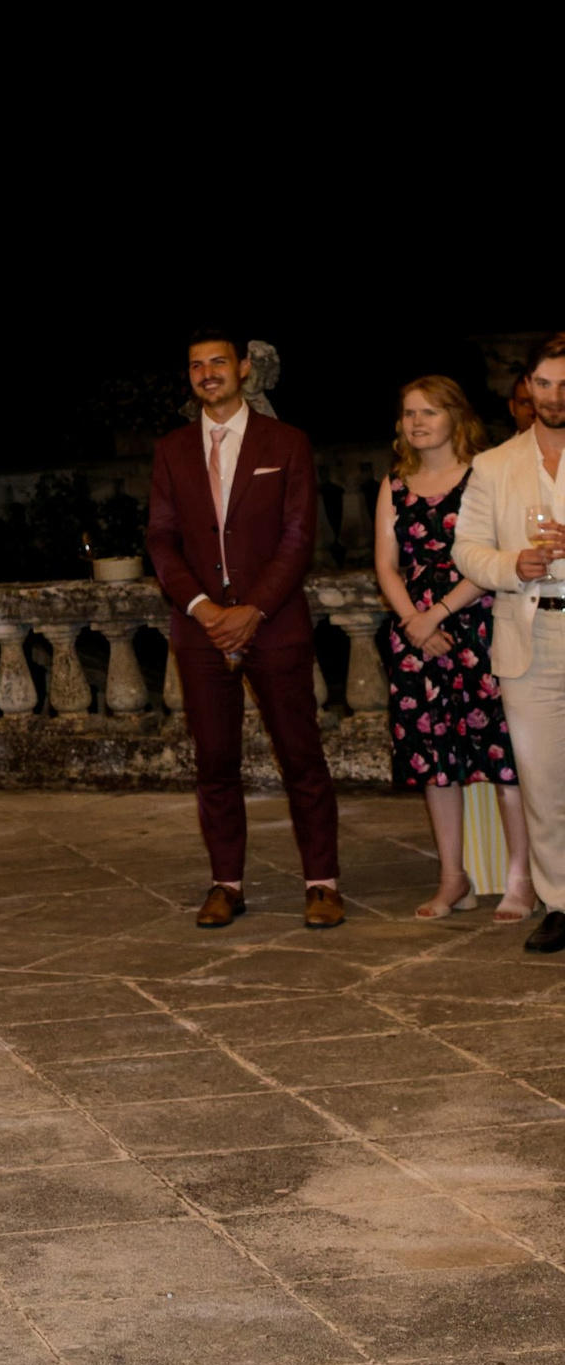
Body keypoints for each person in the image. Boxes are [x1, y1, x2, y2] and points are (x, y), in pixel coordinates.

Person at [145, 332, 343, 930]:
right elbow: (161, 540)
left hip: (274, 624)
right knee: (214, 762)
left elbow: (298, 537)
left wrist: (252, 609)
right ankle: (225, 884)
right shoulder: (172, 450)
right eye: (196, 365)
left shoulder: (286, 442)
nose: (207, 373)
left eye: (218, 362)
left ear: (244, 368)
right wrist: (203, 608)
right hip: (200, 631)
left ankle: (322, 883)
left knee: (301, 757)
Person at [375, 377, 531, 921]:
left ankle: (521, 879)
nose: (417, 422)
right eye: (409, 413)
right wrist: (413, 623)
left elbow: (494, 558)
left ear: (456, 417)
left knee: (503, 758)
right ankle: (453, 879)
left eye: (430, 411)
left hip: (480, 627)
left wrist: (436, 614)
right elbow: (386, 565)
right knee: (433, 761)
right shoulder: (395, 482)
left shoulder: (485, 474)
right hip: (416, 637)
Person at [455, 334, 565, 957]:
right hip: (529, 637)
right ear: (526, 386)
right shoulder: (495, 464)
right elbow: (466, 549)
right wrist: (510, 565)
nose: (554, 396)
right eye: (543, 383)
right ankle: (561, 902)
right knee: (544, 786)